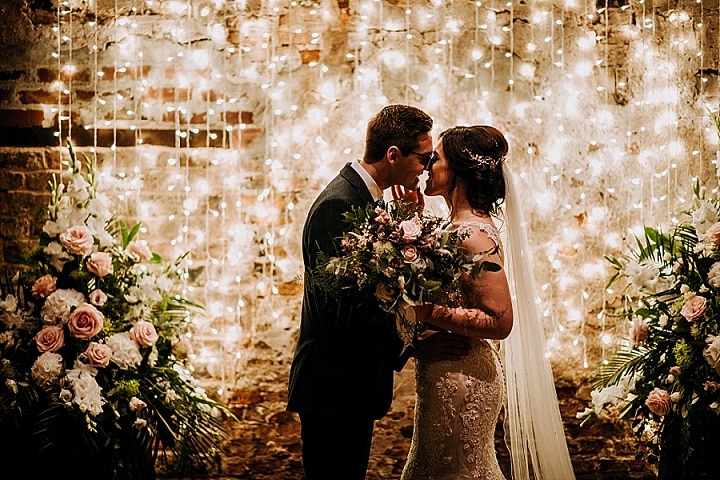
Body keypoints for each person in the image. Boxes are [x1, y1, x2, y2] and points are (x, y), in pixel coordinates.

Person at [287, 104, 470, 480]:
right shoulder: (339, 205)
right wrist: (412, 346)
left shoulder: (366, 200)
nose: (426, 166)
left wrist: (404, 220)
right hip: (333, 390)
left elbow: (376, 286)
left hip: (348, 389)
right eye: (424, 157)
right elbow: (340, 313)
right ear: (393, 156)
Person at [400, 125, 576, 480]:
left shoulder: (473, 235)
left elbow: (500, 319)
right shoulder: (456, 228)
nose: (428, 166)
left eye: (437, 158)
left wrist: (426, 313)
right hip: (444, 370)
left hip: (462, 376)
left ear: (459, 173)